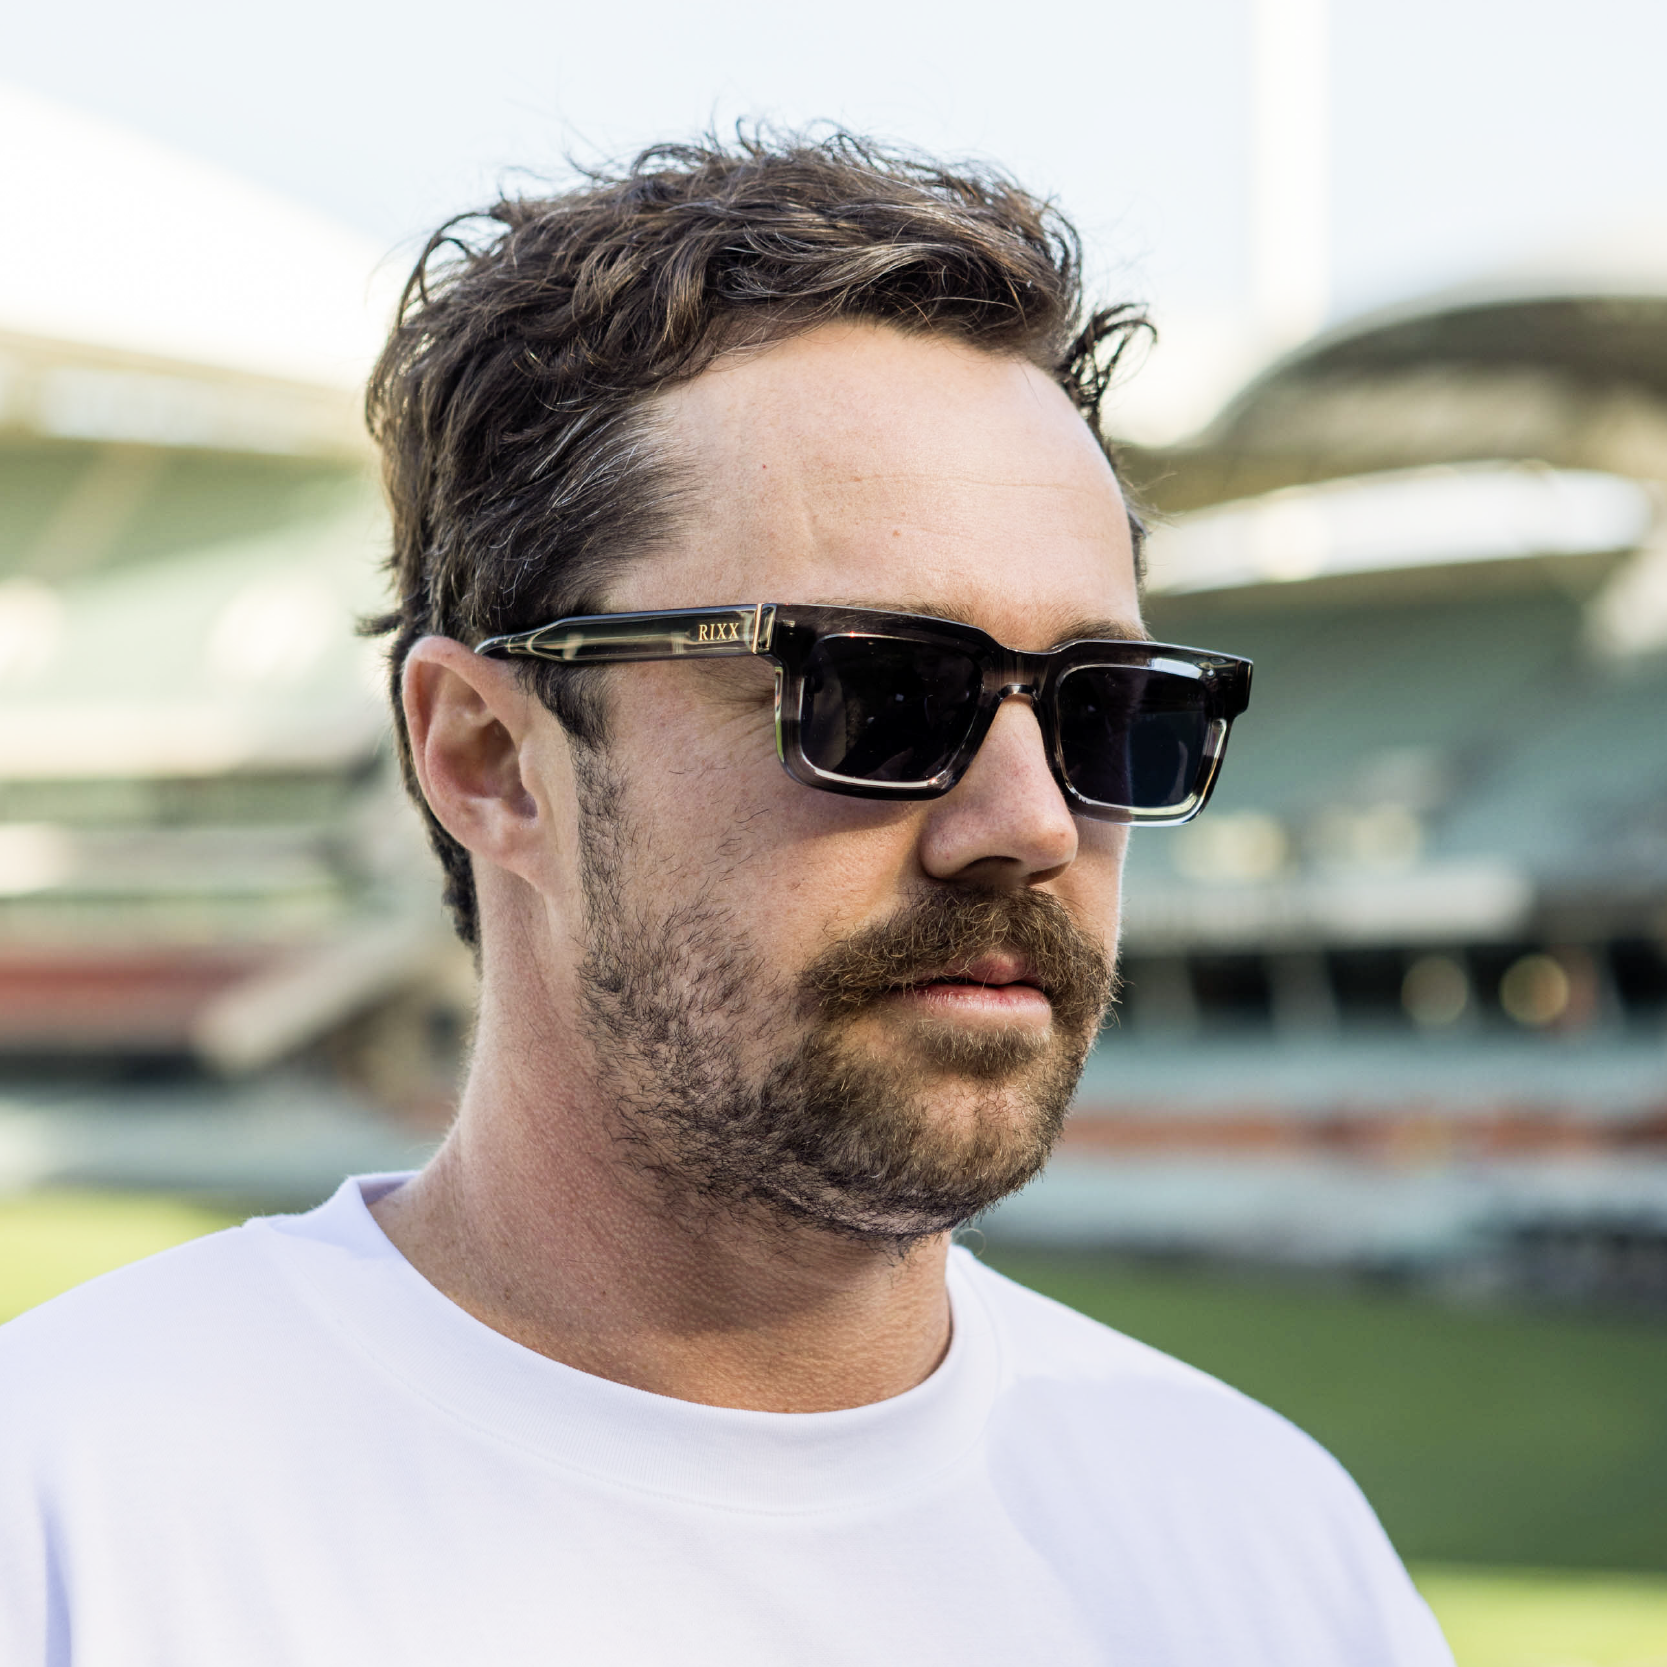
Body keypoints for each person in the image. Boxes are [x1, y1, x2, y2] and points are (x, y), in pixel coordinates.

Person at [0, 133, 1451, 1665]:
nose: (1030, 822)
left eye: (1108, 710)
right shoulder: (70, 1512)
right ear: (489, 756)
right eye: (877, 694)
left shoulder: (1272, 1555)